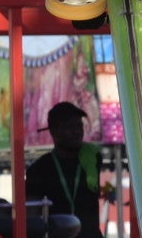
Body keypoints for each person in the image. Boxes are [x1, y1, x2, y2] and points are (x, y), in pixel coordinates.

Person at [25, 102, 104, 238]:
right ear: (54, 131)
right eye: (70, 126)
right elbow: (31, 219)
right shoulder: (38, 170)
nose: (77, 131)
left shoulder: (92, 160)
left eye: (79, 126)